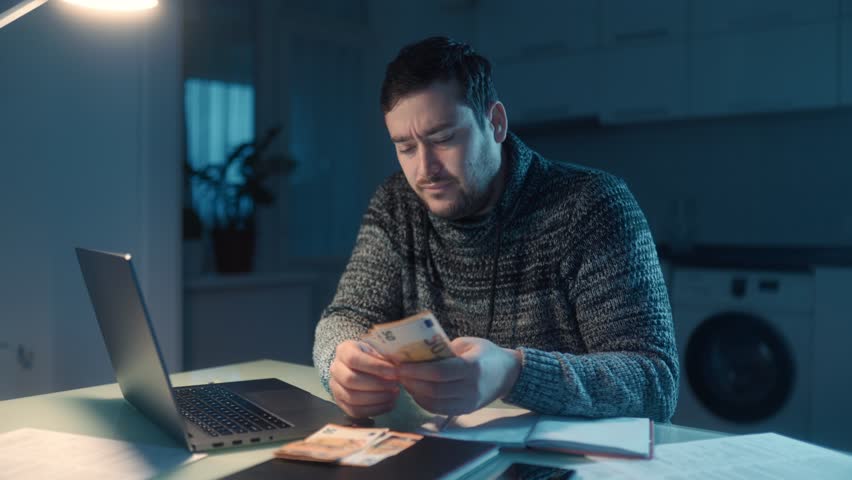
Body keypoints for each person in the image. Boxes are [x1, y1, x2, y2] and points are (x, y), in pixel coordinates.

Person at [312, 36, 678, 423]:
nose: (424, 170)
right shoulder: (397, 204)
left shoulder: (592, 205)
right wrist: (341, 361)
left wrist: (513, 372)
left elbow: (655, 383)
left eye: (444, 139)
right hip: (443, 454)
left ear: (496, 123)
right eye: (405, 147)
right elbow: (345, 316)